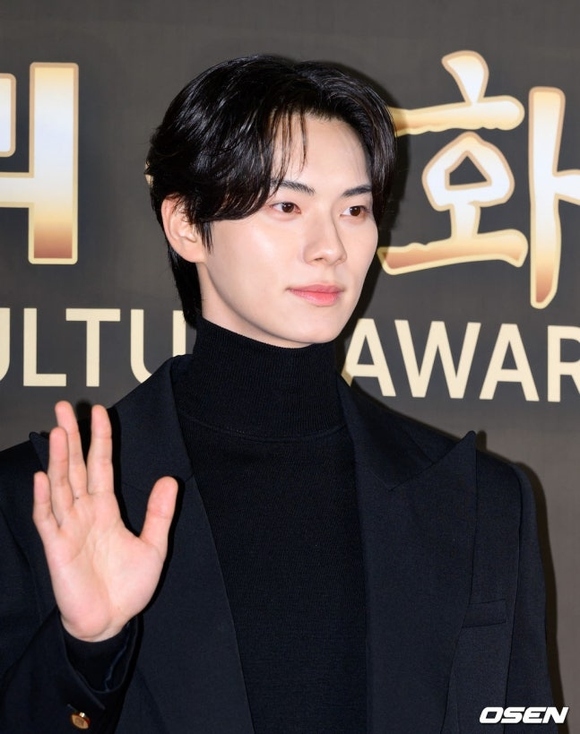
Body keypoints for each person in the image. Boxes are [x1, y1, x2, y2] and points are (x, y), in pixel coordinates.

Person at [0, 55, 554, 733]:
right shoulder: (45, 501)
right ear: (186, 224)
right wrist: (87, 649)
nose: (330, 247)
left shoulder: (480, 503)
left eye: (355, 209)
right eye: (287, 206)